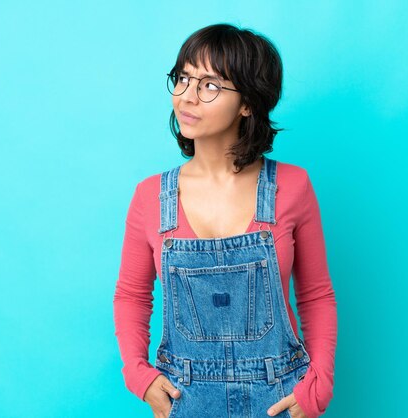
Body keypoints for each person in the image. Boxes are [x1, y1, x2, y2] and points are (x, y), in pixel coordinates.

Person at [113, 23, 337, 418]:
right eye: (182, 78)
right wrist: (140, 378)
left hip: (279, 398)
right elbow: (132, 295)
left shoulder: (293, 185)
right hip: (185, 400)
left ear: (248, 102)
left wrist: (316, 387)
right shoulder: (150, 196)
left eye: (209, 85)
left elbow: (316, 294)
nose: (187, 97)